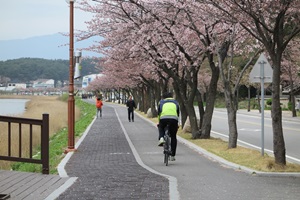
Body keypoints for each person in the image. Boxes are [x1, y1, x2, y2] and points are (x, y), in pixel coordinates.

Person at [157, 92, 180, 161]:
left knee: (161, 127)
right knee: (173, 136)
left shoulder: (161, 102)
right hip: (173, 119)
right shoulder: (176, 102)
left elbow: (159, 113)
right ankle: (173, 155)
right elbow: (178, 113)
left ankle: (161, 138)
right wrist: (177, 122)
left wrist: (159, 122)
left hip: (163, 118)